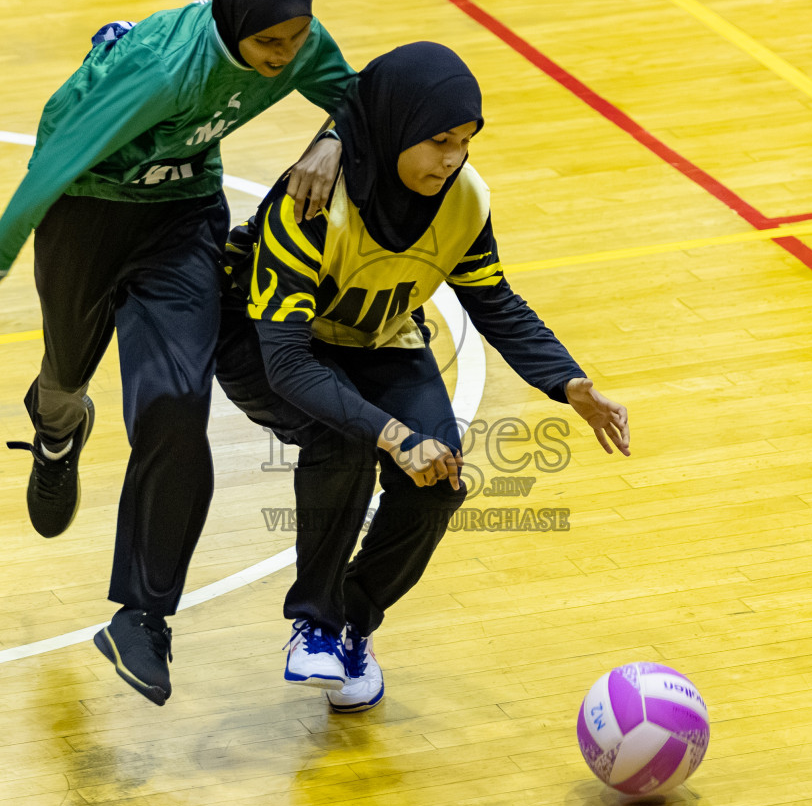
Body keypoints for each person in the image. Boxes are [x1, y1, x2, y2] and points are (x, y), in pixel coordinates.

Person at [0, 0, 356, 708]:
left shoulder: (301, 45)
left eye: (295, 39)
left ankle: (142, 616)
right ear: (230, 20)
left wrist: (331, 139)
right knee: (67, 377)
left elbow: (359, 98)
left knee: (177, 405)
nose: (285, 55)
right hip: (86, 208)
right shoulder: (161, 70)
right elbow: (54, 161)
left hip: (182, 218)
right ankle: (57, 431)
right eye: (269, 41)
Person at [217, 42, 631, 713]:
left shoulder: (464, 199)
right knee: (345, 440)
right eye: (438, 141)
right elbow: (288, 363)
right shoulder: (311, 202)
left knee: (438, 482)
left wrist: (567, 382)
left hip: (377, 339)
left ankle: (352, 619)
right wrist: (394, 434)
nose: (452, 159)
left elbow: (494, 299)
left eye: (464, 142)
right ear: (395, 129)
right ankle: (313, 623)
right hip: (267, 346)